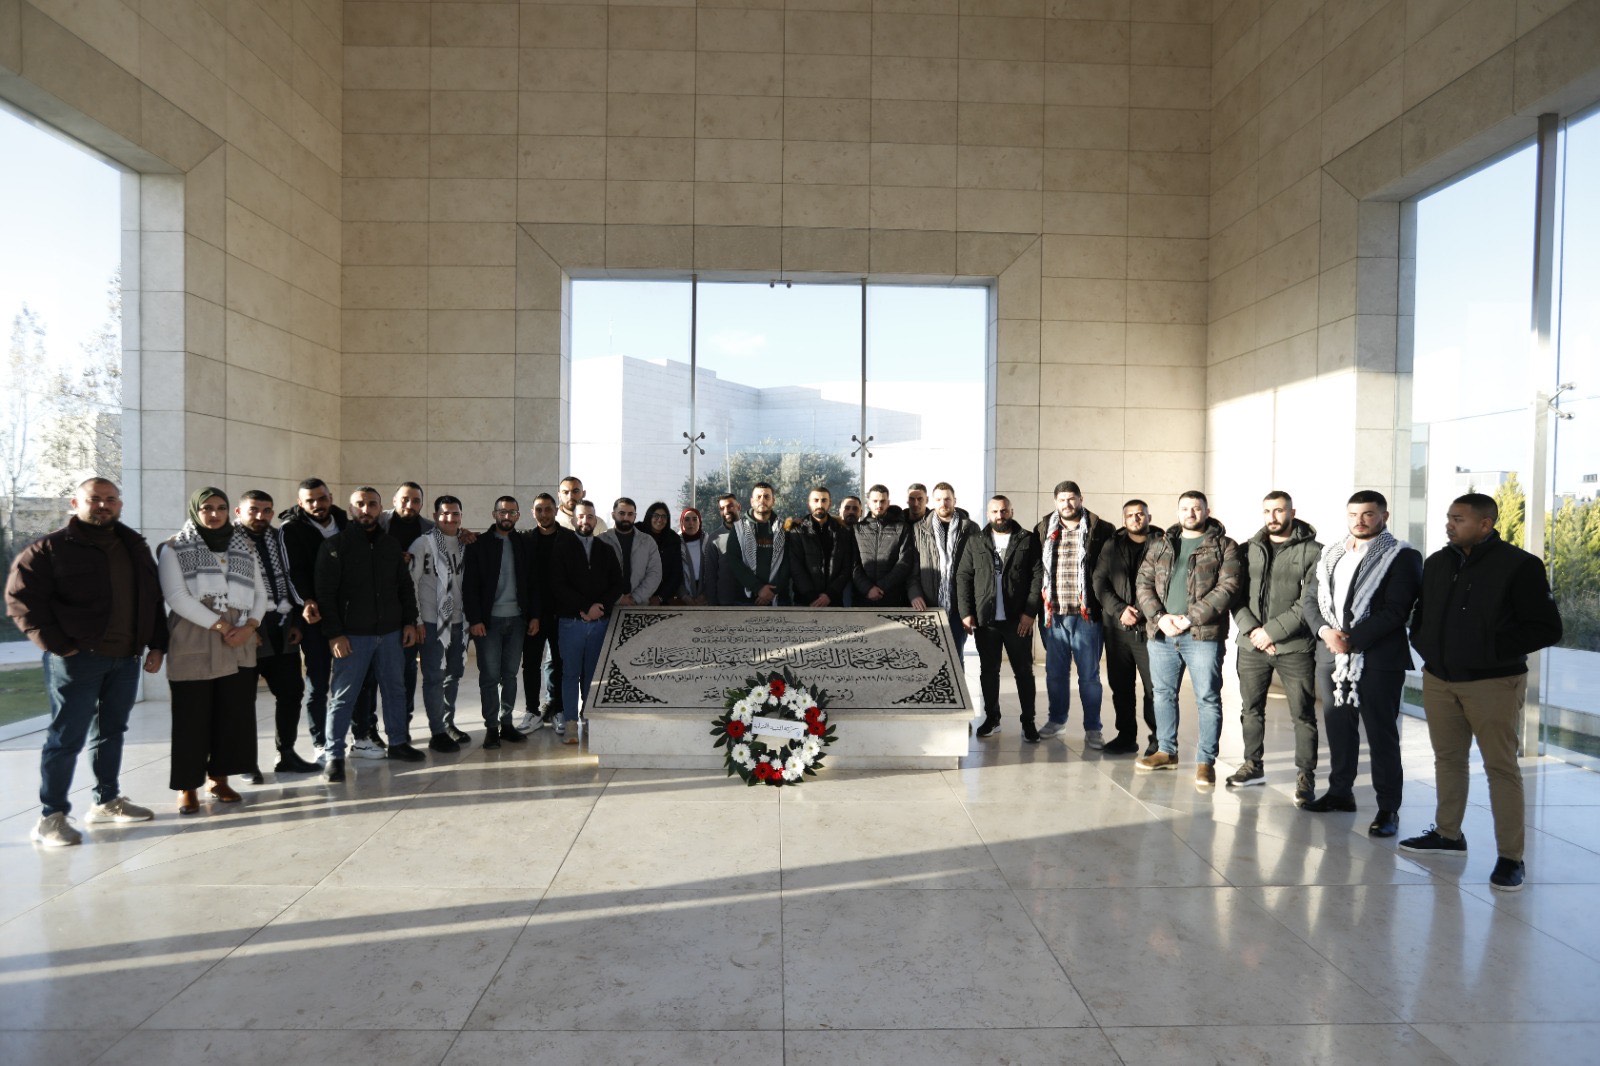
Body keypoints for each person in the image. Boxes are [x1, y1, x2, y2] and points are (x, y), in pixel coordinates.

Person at [1402, 493, 1563, 892]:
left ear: (1486, 524)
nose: (1449, 524)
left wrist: (1489, 652)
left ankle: (1510, 857)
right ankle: (1448, 835)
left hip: (1493, 683)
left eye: (1458, 519)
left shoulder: (1520, 565)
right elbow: (1422, 615)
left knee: (1500, 768)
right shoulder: (1437, 562)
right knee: (1448, 759)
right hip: (1439, 679)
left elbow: (1547, 628)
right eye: (1448, 517)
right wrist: (1427, 646)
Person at [7, 477, 165, 846]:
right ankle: (51, 817)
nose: (103, 505)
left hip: (125, 658)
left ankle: (106, 801)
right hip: (77, 661)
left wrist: (157, 645)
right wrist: (59, 646)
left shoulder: (134, 545)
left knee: (111, 732)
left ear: (120, 504)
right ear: (75, 503)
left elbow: (152, 598)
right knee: (66, 738)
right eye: (94, 499)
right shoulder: (49, 548)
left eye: (111, 499)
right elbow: (21, 600)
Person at [1301, 490, 1422, 836]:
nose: (1360, 521)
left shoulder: (1401, 555)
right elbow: (1310, 599)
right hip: (1332, 655)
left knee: (1382, 735)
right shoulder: (1330, 554)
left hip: (1378, 657)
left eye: (1368, 514)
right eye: (1353, 514)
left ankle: (1388, 809)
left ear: (1384, 516)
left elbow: (1397, 610)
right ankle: (1340, 793)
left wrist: (1351, 640)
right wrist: (1326, 632)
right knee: (1339, 729)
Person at [158, 488, 269, 815]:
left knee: (231, 715)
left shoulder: (243, 545)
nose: (215, 514)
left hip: (239, 640)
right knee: (191, 718)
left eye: (220, 507)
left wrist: (250, 627)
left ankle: (218, 780)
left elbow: (260, 593)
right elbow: (177, 597)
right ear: (196, 510)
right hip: (196, 638)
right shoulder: (174, 548)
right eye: (207, 508)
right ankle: (187, 787)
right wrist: (222, 627)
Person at [1133, 491, 1242, 790]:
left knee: (1207, 697)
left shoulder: (1224, 546)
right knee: (1162, 695)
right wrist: (1159, 617)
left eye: (1196, 508)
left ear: (1207, 510)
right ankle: (1166, 751)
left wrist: (1189, 618)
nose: (1190, 513)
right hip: (1162, 634)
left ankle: (1205, 762)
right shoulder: (1161, 544)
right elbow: (1143, 583)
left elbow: (1228, 586)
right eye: (1185, 508)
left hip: (1202, 635)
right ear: (1177, 511)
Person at [315, 487, 425, 782]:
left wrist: (409, 622)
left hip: (390, 634)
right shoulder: (335, 546)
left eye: (372, 504)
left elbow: (404, 587)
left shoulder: (389, 545)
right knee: (343, 696)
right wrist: (334, 634)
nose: (366, 509)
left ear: (380, 507)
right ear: (351, 509)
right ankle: (334, 756)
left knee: (395, 690)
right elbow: (325, 595)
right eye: (360, 504)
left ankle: (398, 743)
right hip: (352, 636)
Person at [1225, 491, 1321, 805]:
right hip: (1251, 645)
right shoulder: (1246, 550)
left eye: (1279, 510)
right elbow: (1234, 595)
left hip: (1295, 647)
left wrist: (1271, 633)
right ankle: (1252, 765)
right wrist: (1254, 631)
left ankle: (1305, 776)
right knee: (1250, 710)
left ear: (1292, 511)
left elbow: (1310, 602)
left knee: (1303, 714)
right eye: (1267, 511)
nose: (1273, 517)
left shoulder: (1314, 552)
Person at [235, 490, 319, 776]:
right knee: (243, 700)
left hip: (281, 631)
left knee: (291, 692)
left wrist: (297, 623)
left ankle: (287, 754)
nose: (261, 516)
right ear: (239, 512)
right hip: (245, 634)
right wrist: (247, 628)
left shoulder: (280, 538)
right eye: (254, 510)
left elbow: (294, 579)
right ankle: (245, 762)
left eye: (267, 510)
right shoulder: (228, 542)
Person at [956, 495, 1043, 742]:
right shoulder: (975, 540)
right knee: (988, 671)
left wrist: (1030, 613)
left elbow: (1038, 577)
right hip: (987, 620)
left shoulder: (1027, 539)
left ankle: (1028, 722)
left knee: (1023, 672)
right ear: (988, 514)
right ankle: (992, 719)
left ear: (1011, 511)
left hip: (1018, 620)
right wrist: (966, 612)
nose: (999, 516)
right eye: (994, 511)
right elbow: (963, 576)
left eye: (1004, 511)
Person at [1035, 480, 1113, 748]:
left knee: (1089, 676)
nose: (1067, 504)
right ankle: (1057, 720)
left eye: (1071, 499)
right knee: (1055, 674)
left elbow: (1108, 572)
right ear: (1055, 502)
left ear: (1081, 499)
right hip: (1053, 615)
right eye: (1061, 500)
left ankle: (1093, 728)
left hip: (1086, 616)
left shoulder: (1101, 530)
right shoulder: (1043, 529)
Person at [462, 495, 538, 748]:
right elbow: (470, 586)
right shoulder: (479, 544)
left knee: (510, 675)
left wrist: (534, 616)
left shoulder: (524, 543)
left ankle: (507, 724)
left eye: (512, 512)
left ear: (518, 516)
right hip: (489, 622)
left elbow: (533, 583)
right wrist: (475, 619)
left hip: (517, 620)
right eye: (503, 512)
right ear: (494, 514)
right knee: (489, 676)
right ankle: (491, 727)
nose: (507, 516)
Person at [278, 478, 345, 757]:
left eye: (322, 498)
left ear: (330, 497)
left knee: (354, 680)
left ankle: (359, 735)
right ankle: (320, 742)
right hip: (315, 618)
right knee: (318, 683)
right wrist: (306, 600)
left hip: (348, 615)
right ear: (300, 503)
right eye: (310, 501)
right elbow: (291, 572)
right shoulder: (291, 529)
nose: (317, 504)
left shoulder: (346, 523)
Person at [552, 500, 625, 743]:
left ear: (596, 520)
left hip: (599, 623)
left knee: (593, 674)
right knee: (570, 674)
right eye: (581, 516)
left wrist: (599, 607)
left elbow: (617, 583)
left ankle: (591, 718)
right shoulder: (561, 547)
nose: (586, 521)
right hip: (571, 622)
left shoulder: (605, 549)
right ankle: (571, 722)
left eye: (590, 517)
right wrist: (584, 608)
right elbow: (558, 584)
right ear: (574, 519)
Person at [1091, 500, 1158, 756]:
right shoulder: (1112, 545)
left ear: (1148, 516)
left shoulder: (1163, 543)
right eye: (1130, 515)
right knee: (1121, 687)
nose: (1136, 519)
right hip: (1118, 629)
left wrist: (1144, 612)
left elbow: (1167, 583)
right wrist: (1120, 610)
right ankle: (1126, 736)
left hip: (1151, 630)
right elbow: (1099, 581)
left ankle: (1159, 740)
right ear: (1124, 519)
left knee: (1154, 689)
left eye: (1140, 514)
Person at [409, 496, 469, 753]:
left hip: (459, 621)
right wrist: (417, 620)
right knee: (434, 677)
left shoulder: (466, 543)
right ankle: (437, 732)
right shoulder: (423, 543)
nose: (450, 518)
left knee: (453, 674)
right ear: (435, 516)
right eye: (445, 514)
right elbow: (410, 582)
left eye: (455, 514)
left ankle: (448, 723)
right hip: (432, 621)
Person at [909, 481, 978, 657]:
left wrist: (969, 609)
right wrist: (915, 594)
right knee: (928, 658)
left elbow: (977, 571)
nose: (943, 503)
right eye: (939, 499)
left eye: (947, 499)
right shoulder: (919, 529)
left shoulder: (970, 529)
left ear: (955, 500)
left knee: (955, 658)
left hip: (958, 608)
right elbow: (912, 569)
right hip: (928, 606)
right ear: (933, 501)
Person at [518, 492, 565, 730]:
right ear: (532, 512)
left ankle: (559, 709)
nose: (544, 514)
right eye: (539, 510)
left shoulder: (568, 539)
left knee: (560, 663)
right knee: (531, 664)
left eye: (548, 509)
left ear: (556, 510)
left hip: (561, 614)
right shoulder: (525, 539)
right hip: (533, 615)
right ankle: (532, 711)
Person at [785, 486, 853, 607]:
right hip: (805, 601)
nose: (820, 504)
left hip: (834, 601)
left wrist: (829, 595)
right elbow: (796, 567)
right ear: (809, 504)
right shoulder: (798, 531)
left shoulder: (842, 531)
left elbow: (846, 567)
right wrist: (811, 596)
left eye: (824, 500)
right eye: (815, 500)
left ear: (829, 503)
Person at [853, 484, 915, 607]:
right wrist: (867, 588)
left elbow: (905, 562)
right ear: (868, 503)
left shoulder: (902, 528)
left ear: (888, 502)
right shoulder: (857, 529)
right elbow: (853, 564)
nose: (879, 505)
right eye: (875, 501)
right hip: (863, 597)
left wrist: (881, 587)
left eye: (882, 501)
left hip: (892, 597)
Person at [728, 483, 788, 606]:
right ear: (752, 501)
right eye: (758, 497)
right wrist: (758, 588)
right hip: (746, 600)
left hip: (777, 598)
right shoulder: (738, 528)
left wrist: (771, 592)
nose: (762, 500)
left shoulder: (784, 528)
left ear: (773, 501)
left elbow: (788, 563)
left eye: (766, 497)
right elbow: (734, 561)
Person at [600, 497, 663, 608]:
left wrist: (635, 598)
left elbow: (655, 573)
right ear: (613, 515)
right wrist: (618, 598)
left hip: (639, 605)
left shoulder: (647, 542)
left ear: (635, 516)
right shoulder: (601, 541)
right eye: (621, 513)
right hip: (608, 606)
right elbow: (597, 576)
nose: (626, 517)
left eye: (630, 514)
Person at [640, 501, 683, 604]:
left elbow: (676, 573)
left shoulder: (673, 539)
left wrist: (661, 597)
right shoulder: (638, 532)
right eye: (656, 516)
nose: (660, 520)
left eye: (664, 516)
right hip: (636, 594)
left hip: (661, 598)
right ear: (649, 516)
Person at [678, 507, 719, 605]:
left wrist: (705, 594)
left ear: (699, 522)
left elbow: (716, 570)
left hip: (707, 599)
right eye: (687, 519)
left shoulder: (710, 543)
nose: (691, 523)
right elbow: (674, 574)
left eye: (694, 519)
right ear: (682, 523)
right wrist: (684, 596)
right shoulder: (676, 544)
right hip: (683, 600)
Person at [712, 494, 743, 605]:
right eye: (722, 508)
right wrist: (713, 605)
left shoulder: (753, 532)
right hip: (725, 603)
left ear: (739, 507)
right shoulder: (714, 538)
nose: (726, 511)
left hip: (752, 602)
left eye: (730, 506)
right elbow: (710, 575)